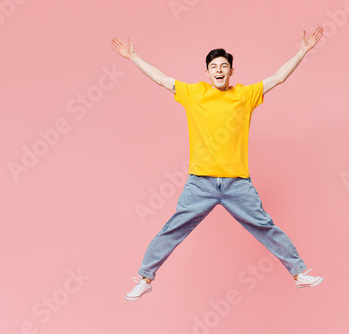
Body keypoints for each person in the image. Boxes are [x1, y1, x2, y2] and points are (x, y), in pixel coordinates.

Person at [111, 26, 325, 302]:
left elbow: (278, 78)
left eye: (224, 66)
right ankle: (144, 279)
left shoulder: (244, 96)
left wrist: (302, 51)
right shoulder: (194, 94)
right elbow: (162, 79)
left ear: (231, 71)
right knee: (173, 229)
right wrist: (133, 56)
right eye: (214, 66)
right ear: (207, 72)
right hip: (201, 183)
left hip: (237, 184)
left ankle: (299, 273)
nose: (219, 70)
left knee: (264, 226)